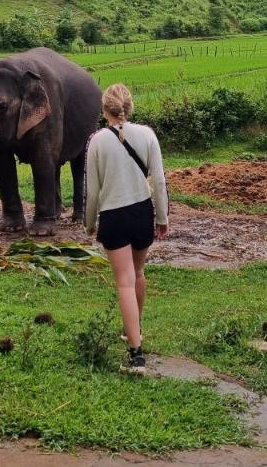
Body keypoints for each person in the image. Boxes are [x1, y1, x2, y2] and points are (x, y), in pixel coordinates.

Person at [83, 83, 169, 374]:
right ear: (130, 106)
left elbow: (92, 191)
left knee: (124, 281)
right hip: (143, 211)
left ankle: (136, 355)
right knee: (138, 273)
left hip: (114, 215)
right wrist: (162, 218)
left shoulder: (96, 141)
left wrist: (90, 223)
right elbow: (159, 181)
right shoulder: (147, 135)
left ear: (104, 109)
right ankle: (135, 329)